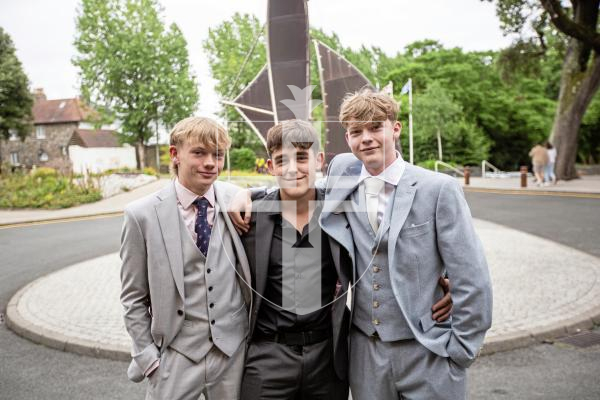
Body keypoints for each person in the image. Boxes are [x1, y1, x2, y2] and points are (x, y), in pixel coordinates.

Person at [235, 119, 453, 400]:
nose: (292, 169)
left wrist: (446, 281)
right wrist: (243, 192)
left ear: (319, 160)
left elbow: (397, 234)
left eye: (302, 158)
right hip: (267, 356)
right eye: (281, 160)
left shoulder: (343, 208)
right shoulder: (249, 218)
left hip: (327, 358)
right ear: (270, 167)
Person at [319, 89, 493, 399]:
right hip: (365, 354)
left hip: (428, 350)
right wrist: (242, 196)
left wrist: (461, 351)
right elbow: (290, 188)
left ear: (395, 129)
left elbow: (471, 276)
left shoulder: (438, 188)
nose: (366, 138)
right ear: (348, 139)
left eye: (376, 127)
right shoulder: (341, 184)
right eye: (356, 132)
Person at [119, 117, 252, 400]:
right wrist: (148, 357)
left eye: (218, 155)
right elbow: (133, 296)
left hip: (232, 352)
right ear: (174, 154)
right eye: (199, 152)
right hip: (176, 356)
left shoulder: (236, 198)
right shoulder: (140, 215)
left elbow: (295, 189)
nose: (210, 163)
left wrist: (248, 193)